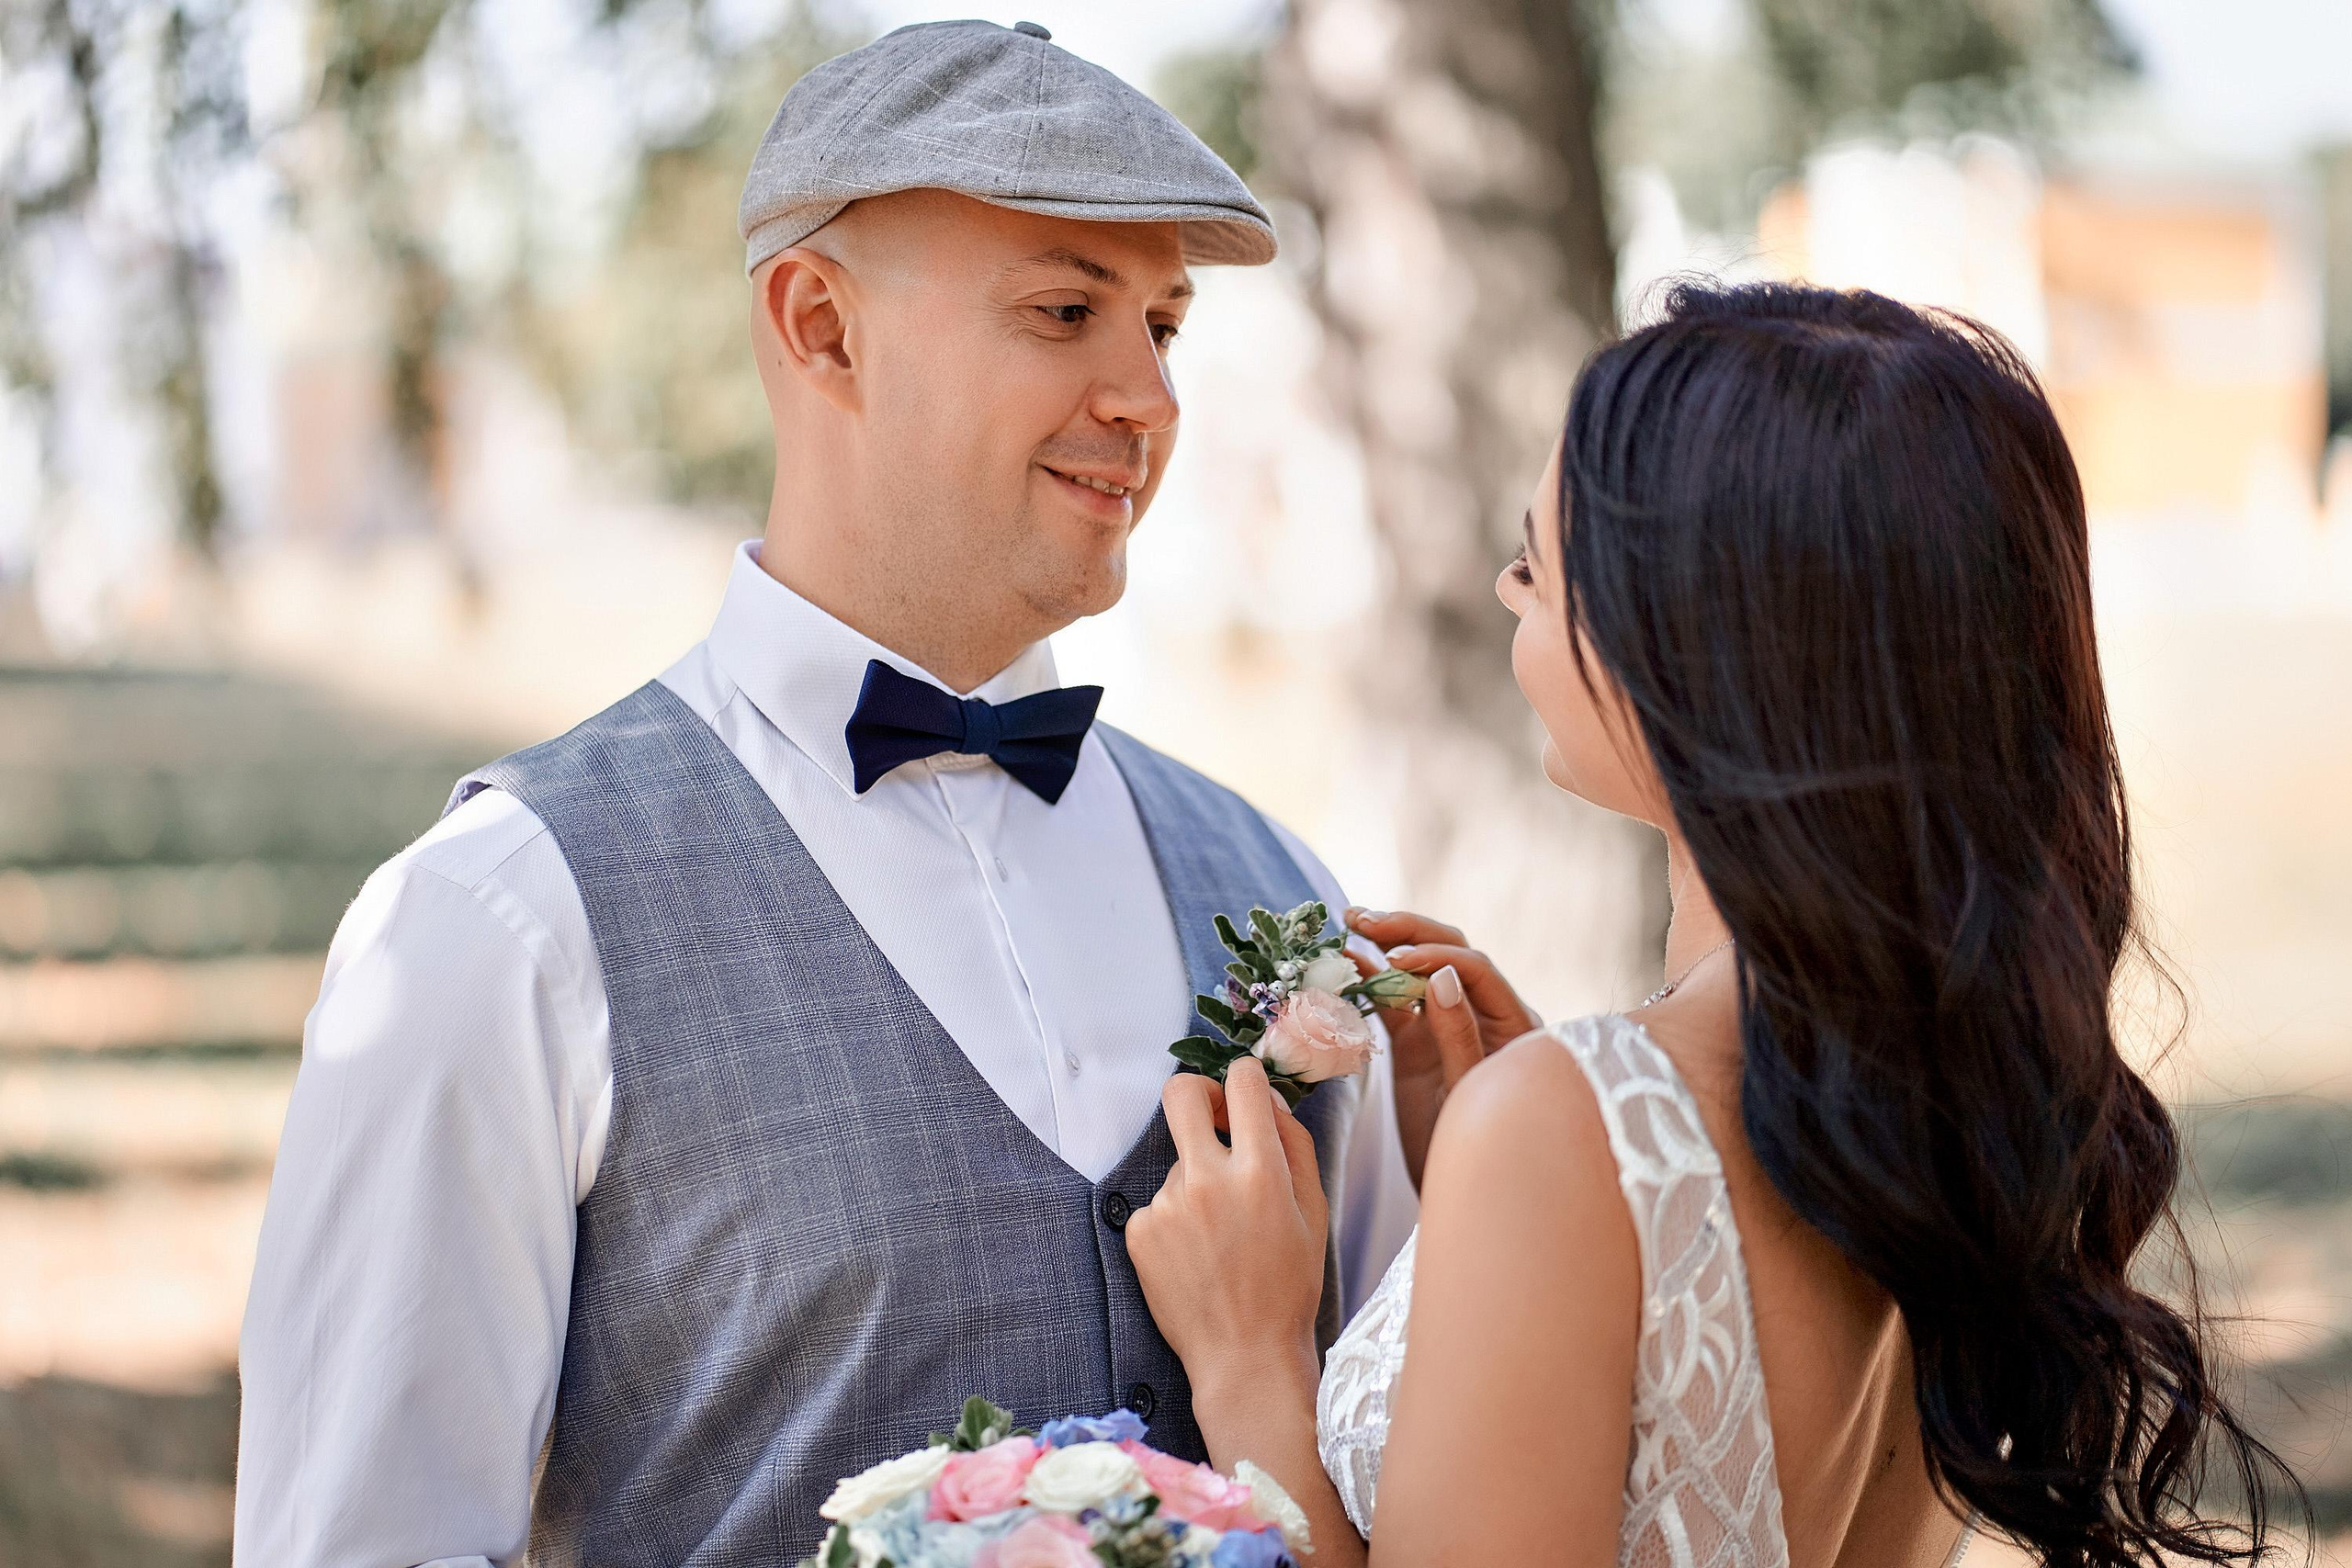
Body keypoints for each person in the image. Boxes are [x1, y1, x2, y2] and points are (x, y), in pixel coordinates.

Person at [232, 22, 1430, 1566]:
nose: (1148, 397)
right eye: (1067, 310)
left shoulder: (1278, 886)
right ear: (819, 327)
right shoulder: (502, 923)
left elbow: (1418, 1491)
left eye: (1166, 326)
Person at [1127, 282, 2303, 1567]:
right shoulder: (1940, 1090)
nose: (1507, 594)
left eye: (1536, 565)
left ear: (1692, 649)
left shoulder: (1575, 1123)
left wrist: (1249, 1368)